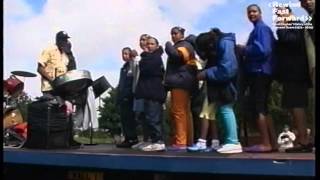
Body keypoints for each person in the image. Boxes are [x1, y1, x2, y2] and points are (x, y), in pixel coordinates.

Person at [195, 28, 242, 154]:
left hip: (228, 82)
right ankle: (230, 140)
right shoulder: (222, 42)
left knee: (226, 108)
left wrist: (206, 73)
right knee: (223, 109)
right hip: (223, 81)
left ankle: (233, 141)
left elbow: (228, 68)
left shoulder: (224, 43)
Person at [238, 4, 277, 152]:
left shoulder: (261, 29)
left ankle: (265, 143)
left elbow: (264, 50)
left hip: (259, 71)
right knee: (264, 108)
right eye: (249, 12)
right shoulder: (258, 29)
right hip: (263, 71)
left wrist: (244, 49)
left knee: (258, 107)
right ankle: (273, 143)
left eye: (254, 11)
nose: (251, 14)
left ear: (260, 13)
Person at [275, 6, 313, 153]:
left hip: (296, 74)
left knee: (297, 105)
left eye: (282, 14)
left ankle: (304, 140)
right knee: (293, 105)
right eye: (278, 15)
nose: (280, 17)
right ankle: (302, 139)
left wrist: (281, 28)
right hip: (291, 74)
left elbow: (291, 41)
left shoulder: (295, 25)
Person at [37, 31, 85, 147]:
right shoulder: (48, 50)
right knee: (53, 114)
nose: (65, 42)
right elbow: (39, 68)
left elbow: (70, 70)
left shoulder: (65, 55)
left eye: (67, 40)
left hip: (62, 88)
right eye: (63, 40)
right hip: (50, 88)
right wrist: (52, 80)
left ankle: (68, 138)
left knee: (67, 113)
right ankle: (51, 140)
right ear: (58, 40)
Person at [164, 26, 198, 151]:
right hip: (185, 82)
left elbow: (176, 56)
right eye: (171, 33)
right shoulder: (187, 46)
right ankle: (188, 141)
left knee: (178, 112)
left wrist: (167, 45)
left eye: (175, 33)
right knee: (185, 113)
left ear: (182, 34)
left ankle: (180, 142)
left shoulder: (183, 45)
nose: (172, 36)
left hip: (180, 82)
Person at [187, 32, 221, 152]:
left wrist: (204, 74)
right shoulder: (213, 52)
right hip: (211, 84)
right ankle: (215, 141)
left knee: (205, 113)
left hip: (210, 85)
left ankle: (202, 141)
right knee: (211, 115)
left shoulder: (207, 54)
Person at [134, 36, 167, 151]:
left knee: (154, 117)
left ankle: (159, 141)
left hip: (154, 91)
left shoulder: (156, 58)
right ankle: (153, 140)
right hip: (147, 91)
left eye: (152, 44)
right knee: (148, 117)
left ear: (157, 46)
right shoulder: (148, 57)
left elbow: (146, 69)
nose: (149, 46)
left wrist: (143, 57)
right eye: (147, 44)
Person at [131, 34, 152, 150]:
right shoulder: (139, 57)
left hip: (147, 90)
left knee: (150, 116)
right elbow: (134, 73)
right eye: (140, 40)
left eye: (144, 40)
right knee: (141, 116)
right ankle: (144, 139)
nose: (142, 42)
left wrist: (137, 58)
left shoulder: (149, 55)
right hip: (138, 89)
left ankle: (152, 140)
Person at [116, 47, 139, 148]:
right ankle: (127, 137)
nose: (124, 56)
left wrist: (128, 94)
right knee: (124, 119)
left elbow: (132, 81)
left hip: (129, 96)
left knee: (130, 119)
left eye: (126, 53)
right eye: (123, 54)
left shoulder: (132, 66)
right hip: (122, 96)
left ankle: (132, 138)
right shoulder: (124, 67)